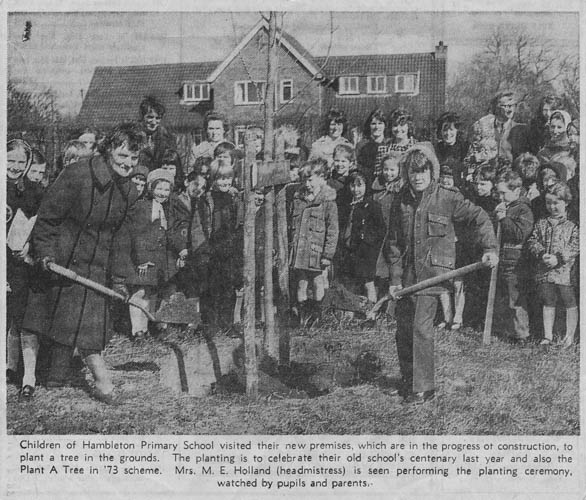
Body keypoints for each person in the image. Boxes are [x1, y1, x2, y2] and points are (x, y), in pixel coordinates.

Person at [22, 123, 143, 403]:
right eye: (122, 156)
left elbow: (122, 238)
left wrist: (120, 278)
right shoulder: (77, 174)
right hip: (62, 259)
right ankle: (104, 385)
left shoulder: (128, 190)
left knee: (87, 324)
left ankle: (56, 378)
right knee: (62, 318)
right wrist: (45, 253)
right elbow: (49, 217)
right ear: (108, 150)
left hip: (97, 265)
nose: (128, 163)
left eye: (134, 158)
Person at [387, 144, 498, 404]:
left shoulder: (447, 198)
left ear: (432, 171)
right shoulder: (400, 202)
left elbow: (480, 217)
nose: (418, 177)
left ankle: (423, 388)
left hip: (432, 274)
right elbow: (393, 244)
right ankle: (408, 381)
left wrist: (490, 247)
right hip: (407, 278)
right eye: (413, 172)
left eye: (423, 171)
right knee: (403, 329)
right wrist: (394, 279)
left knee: (419, 327)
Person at [125, 168, 184, 340]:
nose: (162, 193)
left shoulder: (170, 208)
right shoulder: (142, 207)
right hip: (144, 259)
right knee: (140, 293)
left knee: (157, 292)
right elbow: (136, 235)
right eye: (159, 189)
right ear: (150, 188)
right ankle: (138, 330)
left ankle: (158, 325)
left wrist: (181, 250)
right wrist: (142, 259)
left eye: (166, 190)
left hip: (162, 259)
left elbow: (171, 232)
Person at [6, 139, 45, 399]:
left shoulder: (32, 191)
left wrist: (30, 246)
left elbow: (41, 225)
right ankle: (10, 365)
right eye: (10, 160)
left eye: (22, 162)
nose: (16, 166)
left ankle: (27, 376)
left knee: (22, 318)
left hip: (19, 263)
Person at [527, 182, 579, 347]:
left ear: (566, 202)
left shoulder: (573, 225)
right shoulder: (542, 223)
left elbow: (577, 244)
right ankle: (548, 335)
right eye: (549, 203)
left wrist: (559, 257)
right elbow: (532, 240)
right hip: (545, 270)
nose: (552, 207)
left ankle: (569, 336)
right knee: (548, 300)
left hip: (565, 271)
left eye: (556, 203)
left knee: (568, 300)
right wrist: (542, 254)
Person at [290, 159, 339, 327]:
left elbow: (333, 231)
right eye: (304, 180)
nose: (307, 184)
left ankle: (318, 317)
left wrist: (328, 255)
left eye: (310, 179)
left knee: (318, 282)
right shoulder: (298, 199)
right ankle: (303, 317)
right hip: (300, 252)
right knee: (301, 283)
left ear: (321, 178)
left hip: (317, 252)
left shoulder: (327, 202)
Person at [493, 169, 533, 344]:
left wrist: (504, 219)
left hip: (515, 261)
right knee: (503, 296)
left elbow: (519, 234)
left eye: (504, 193)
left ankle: (522, 334)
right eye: (499, 192)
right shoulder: (504, 207)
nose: (500, 196)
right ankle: (507, 330)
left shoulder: (524, 209)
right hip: (501, 259)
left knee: (515, 298)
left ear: (516, 191)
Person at [336, 171, 385, 304]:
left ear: (366, 186)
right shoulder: (346, 206)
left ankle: (371, 313)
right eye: (353, 185)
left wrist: (367, 241)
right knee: (349, 283)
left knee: (368, 282)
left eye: (360, 185)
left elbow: (380, 229)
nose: (356, 189)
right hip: (348, 250)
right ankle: (349, 315)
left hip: (365, 252)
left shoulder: (372, 206)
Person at [464, 91, 531, 170]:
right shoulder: (481, 126)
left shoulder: (521, 130)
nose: (510, 109)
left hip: (509, 176)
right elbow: (470, 157)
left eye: (512, 105)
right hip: (485, 173)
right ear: (496, 107)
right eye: (505, 105)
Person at [372, 152, 404, 291]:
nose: (388, 173)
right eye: (386, 169)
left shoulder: (402, 190)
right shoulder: (376, 190)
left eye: (392, 170)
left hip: (396, 235)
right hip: (380, 236)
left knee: (396, 266)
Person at [138, 95, 177, 172]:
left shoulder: (168, 138)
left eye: (158, 118)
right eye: (150, 117)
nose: (154, 122)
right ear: (142, 117)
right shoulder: (134, 136)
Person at [537, 110, 576, 180]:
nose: (555, 131)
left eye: (559, 127)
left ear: (567, 128)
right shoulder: (543, 151)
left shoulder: (572, 150)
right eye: (552, 127)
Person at [435, 111, 469, 189]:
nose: (448, 133)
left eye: (451, 129)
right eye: (445, 130)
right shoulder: (437, 148)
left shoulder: (465, 147)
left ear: (457, 130)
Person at [356, 108, 390, 184]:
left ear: (385, 125)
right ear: (369, 126)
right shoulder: (362, 145)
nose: (377, 127)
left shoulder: (390, 143)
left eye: (380, 123)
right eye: (373, 124)